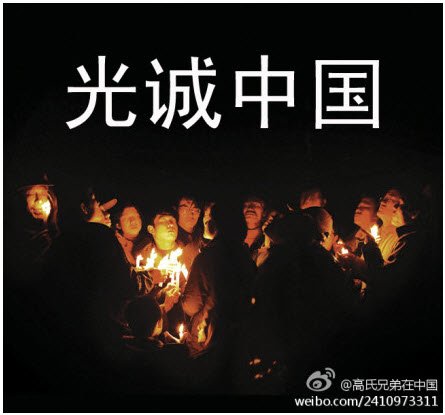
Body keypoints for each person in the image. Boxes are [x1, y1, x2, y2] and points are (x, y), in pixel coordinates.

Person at [182, 201, 256, 391]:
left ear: (215, 224)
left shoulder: (208, 257)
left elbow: (190, 304)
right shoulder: (245, 257)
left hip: (211, 339)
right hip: (242, 339)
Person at [175, 195, 202, 265]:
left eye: (195, 210)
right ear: (177, 210)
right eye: (185, 209)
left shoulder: (203, 237)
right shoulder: (171, 237)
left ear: (199, 213)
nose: (190, 213)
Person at [243, 195, 267, 260]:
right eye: (246, 205)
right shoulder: (231, 239)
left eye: (256, 205)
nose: (250, 208)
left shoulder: (268, 241)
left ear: (264, 213)